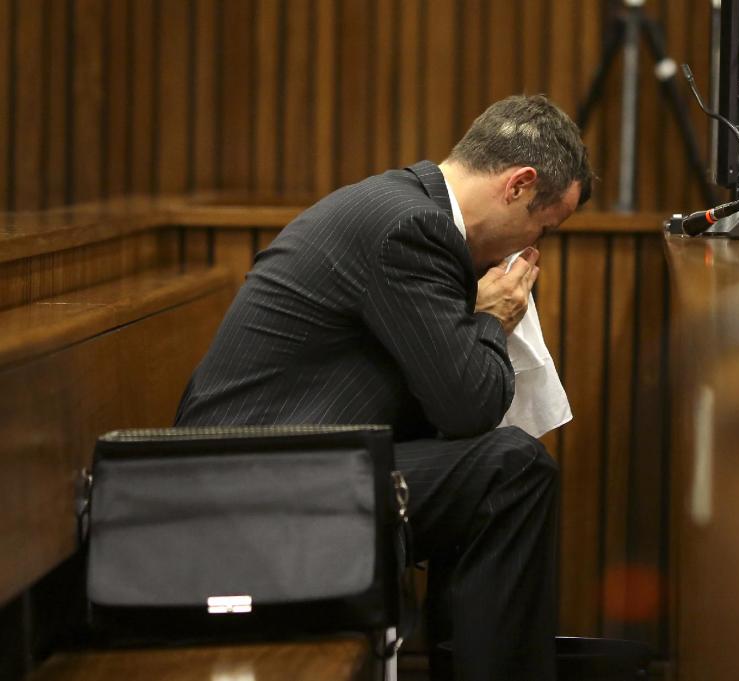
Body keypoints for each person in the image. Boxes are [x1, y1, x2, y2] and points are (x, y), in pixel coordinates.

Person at [175, 94, 593, 681]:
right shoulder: (411, 227)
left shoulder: (408, 208)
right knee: (511, 470)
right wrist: (491, 318)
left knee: (497, 470)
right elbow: (469, 406)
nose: (532, 249)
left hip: (278, 463)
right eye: (541, 227)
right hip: (249, 485)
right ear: (519, 185)